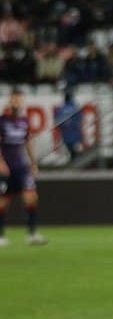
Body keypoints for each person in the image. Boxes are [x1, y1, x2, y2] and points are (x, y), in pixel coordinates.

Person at [0, 88, 48, 246]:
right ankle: (1, 236)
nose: (17, 102)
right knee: (2, 202)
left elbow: (27, 143)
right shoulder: (2, 121)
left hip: (21, 166)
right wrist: (1, 162)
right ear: (9, 101)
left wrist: (33, 162)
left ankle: (32, 234)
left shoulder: (24, 121)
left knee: (31, 197)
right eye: (14, 99)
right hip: (6, 167)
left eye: (19, 100)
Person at [53, 90, 83, 162]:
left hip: (65, 131)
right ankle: (75, 157)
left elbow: (57, 120)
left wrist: (62, 126)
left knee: (69, 146)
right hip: (74, 130)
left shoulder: (61, 108)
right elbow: (79, 118)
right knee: (74, 146)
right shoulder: (75, 107)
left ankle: (74, 158)